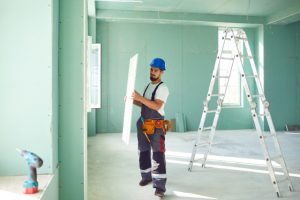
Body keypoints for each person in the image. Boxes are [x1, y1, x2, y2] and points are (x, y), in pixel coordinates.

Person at [132, 58, 169, 198]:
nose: (153, 72)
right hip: (143, 123)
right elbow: (144, 104)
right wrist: (133, 100)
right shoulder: (148, 86)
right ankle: (146, 176)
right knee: (143, 151)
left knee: (158, 154)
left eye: (156, 70)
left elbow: (156, 105)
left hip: (156, 126)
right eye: (151, 69)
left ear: (161, 72)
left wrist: (139, 97)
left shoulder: (163, 88)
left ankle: (160, 187)